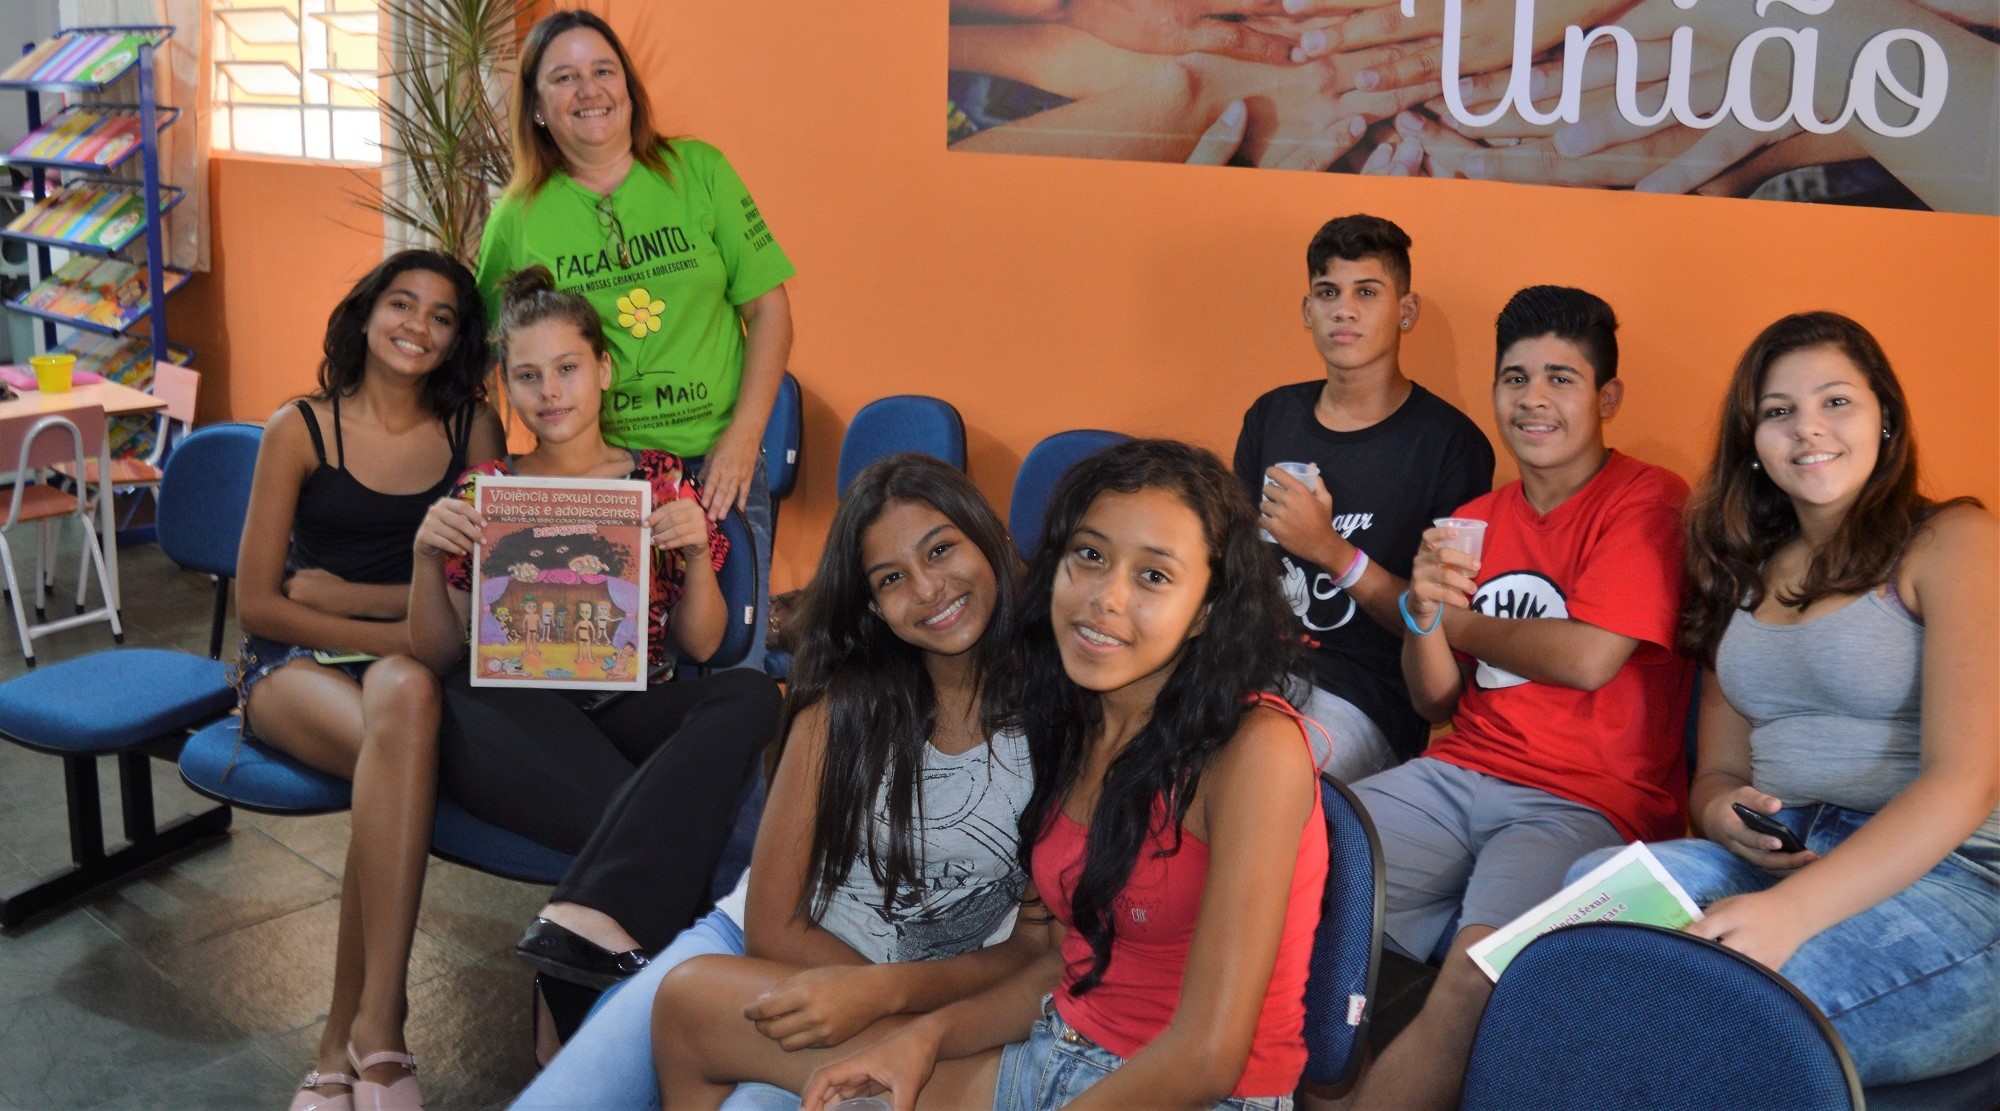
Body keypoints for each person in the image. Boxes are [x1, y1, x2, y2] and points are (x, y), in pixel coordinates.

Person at [661, 439, 1328, 1110]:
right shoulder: (1080, 724)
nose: (1106, 597)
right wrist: (924, 1037)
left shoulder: (1256, 748)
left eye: (1153, 575)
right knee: (690, 1003)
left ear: (1208, 608)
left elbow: (1208, 1056)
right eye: (1090, 556)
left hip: (1179, 1093)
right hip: (1051, 1054)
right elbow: (1050, 961)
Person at [512, 453, 1038, 1109]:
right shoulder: (847, 703)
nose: (929, 588)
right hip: (762, 946)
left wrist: (888, 999)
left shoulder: (1059, 722)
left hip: (923, 997)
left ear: (987, 537)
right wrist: (870, 995)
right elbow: (771, 925)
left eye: (941, 549)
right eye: (893, 577)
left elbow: (1038, 953)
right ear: (872, 605)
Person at [1568, 312, 2000, 1084]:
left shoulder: (1952, 539)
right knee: (1586, 905)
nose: (1809, 429)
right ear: (1753, 443)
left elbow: (1966, 780)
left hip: (1952, 882)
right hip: (1782, 857)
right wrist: (1728, 816)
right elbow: (1717, 774)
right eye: (1778, 412)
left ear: (1886, 419)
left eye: (1836, 401)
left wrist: (1795, 912)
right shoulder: (1739, 572)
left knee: (1722, 1019)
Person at [1347, 287, 1694, 1111]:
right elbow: (1433, 701)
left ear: (1606, 398)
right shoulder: (1472, 518)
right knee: (1287, 862)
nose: (1533, 398)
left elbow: (1587, 657)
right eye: (1515, 377)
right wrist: (1422, 613)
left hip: (1585, 804)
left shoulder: (1649, 498)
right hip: (1457, 773)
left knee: (1477, 973)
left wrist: (1453, 617)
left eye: (1561, 378)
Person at [409, 266, 782, 994]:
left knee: (751, 695)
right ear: (506, 387)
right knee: (471, 692)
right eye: (527, 375)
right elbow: (436, 651)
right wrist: (426, 555)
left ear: (604, 370)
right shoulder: (484, 489)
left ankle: (577, 940)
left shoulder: (663, 480)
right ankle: (636, 960)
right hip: (515, 720)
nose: (549, 392)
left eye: (567, 368)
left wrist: (697, 554)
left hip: (630, 705)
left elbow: (704, 646)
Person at [232, 249, 505, 1111]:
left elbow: (483, 582)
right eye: (402, 303)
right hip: (296, 665)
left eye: (442, 316)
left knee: (408, 702)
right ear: (365, 312)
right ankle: (378, 1026)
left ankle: (342, 1042)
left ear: (459, 339)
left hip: (409, 659)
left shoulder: (474, 429)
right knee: (403, 733)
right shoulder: (299, 428)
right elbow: (260, 607)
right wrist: (391, 628)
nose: (418, 326)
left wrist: (362, 597)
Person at [476, 8, 795, 670]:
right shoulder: (518, 218)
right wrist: (499, 478)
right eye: (563, 77)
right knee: (605, 672)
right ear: (537, 108)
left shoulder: (699, 171)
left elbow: (770, 310)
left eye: (602, 71)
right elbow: (488, 355)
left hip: (716, 470)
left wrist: (743, 440)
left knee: (729, 670)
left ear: (628, 86)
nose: (588, 90)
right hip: (594, 480)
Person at [1236, 214, 1493, 782]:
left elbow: (1443, 627)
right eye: (1327, 292)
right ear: (1307, 311)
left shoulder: (1451, 446)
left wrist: (1329, 549)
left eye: (1367, 292)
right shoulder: (1271, 416)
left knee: (1263, 781)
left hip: (1364, 697)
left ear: (1406, 310)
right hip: (1248, 674)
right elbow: (1233, 572)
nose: (1343, 310)